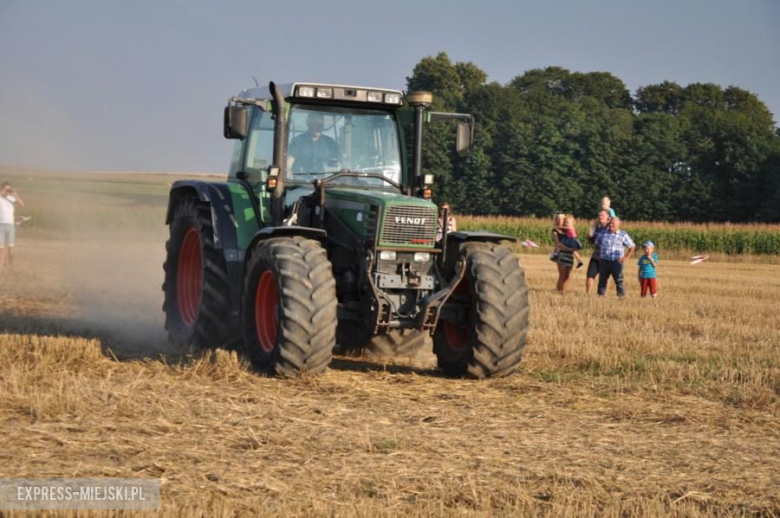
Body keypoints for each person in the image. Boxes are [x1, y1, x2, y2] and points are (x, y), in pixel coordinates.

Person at [594, 217, 635, 297]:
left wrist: (626, 257)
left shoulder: (623, 235)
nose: (611, 225)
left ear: (618, 225)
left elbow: (632, 246)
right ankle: (600, 296)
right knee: (602, 280)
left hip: (617, 262)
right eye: (610, 223)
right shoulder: (602, 233)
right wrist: (598, 253)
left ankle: (621, 297)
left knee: (619, 280)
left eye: (613, 224)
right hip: (604, 261)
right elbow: (596, 244)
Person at [0, 182, 25, 269]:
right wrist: (2, 192)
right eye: (6, 189)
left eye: (9, 189)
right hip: (0, 225)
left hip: (10, 225)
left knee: (10, 248)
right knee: (1, 249)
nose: (7, 191)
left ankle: (11, 265)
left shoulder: (12, 198)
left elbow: (22, 205)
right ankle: (1, 268)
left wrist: (15, 195)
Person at [586, 209, 611, 294]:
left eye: (602, 215)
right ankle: (588, 293)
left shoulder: (610, 228)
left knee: (605, 276)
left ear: (608, 217)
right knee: (590, 274)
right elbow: (591, 241)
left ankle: (604, 293)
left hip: (606, 256)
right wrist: (589, 237)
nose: (600, 217)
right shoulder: (595, 228)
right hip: (596, 254)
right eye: (599, 215)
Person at [551, 213, 575, 293]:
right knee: (562, 274)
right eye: (557, 218)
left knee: (567, 275)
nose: (559, 220)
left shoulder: (568, 230)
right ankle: (559, 291)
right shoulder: (555, 230)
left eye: (561, 219)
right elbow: (558, 243)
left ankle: (564, 291)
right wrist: (569, 248)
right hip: (561, 253)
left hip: (570, 254)